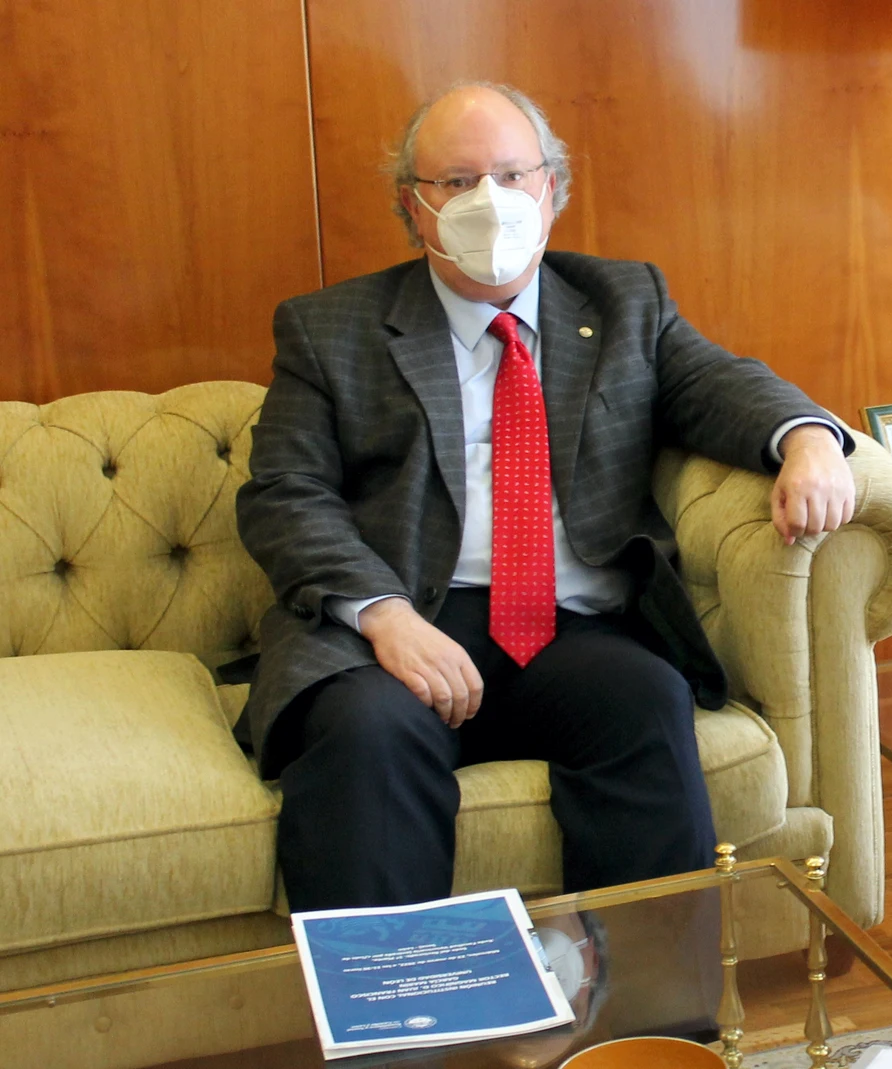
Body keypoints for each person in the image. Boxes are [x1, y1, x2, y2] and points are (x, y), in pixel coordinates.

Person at [236, 82, 857, 912]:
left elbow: (719, 384)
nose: (488, 201)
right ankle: (401, 1036)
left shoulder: (623, 300)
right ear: (413, 208)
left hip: (573, 627)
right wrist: (384, 616)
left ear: (552, 190)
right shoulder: (329, 330)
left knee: (645, 701)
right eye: (456, 181)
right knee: (368, 737)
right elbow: (285, 493)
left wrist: (807, 437)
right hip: (402, 626)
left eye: (510, 174)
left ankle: (648, 1030)